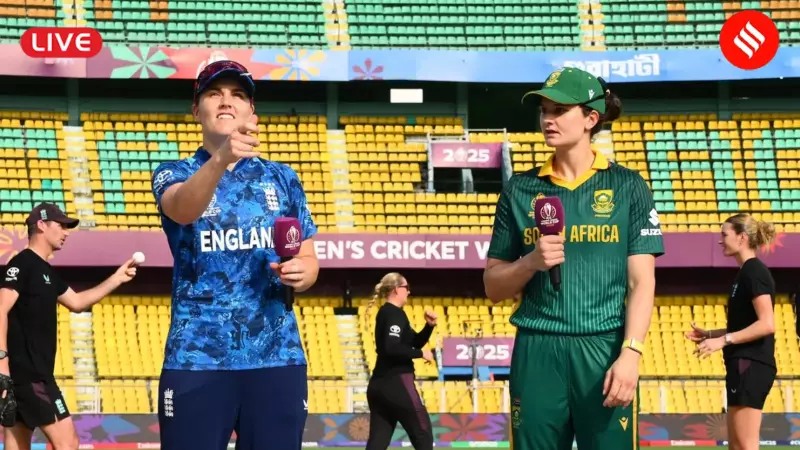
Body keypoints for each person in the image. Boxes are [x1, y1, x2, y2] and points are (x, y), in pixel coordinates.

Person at [483, 67, 665, 450]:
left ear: (590, 119)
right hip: (537, 350)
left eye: (560, 110)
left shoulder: (629, 186)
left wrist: (631, 353)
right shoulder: (519, 189)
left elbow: (642, 282)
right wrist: (530, 262)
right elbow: (493, 286)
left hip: (604, 349)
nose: (547, 119)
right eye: (544, 110)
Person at [150, 60, 319, 450]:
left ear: (251, 112)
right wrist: (221, 159)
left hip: (277, 357)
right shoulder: (173, 172)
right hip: (197, 358)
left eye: (238, 95)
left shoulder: (283, 178)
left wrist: (302, 272)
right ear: (196, 110)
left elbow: (309, 259)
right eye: (214, 93)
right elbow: (182, 209)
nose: (226, 101)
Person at [0, 203, 138, 450]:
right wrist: (2, 364)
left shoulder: (46, 271)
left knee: (17, 445)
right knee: (68, 443)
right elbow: (0, 309)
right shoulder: (21, 264)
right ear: (41, 225)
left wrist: (116, 278)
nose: (66, 232)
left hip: (28, 376)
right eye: (61, 225)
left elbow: (77, 302)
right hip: (31, 376)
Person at [687, 213, 777, 450]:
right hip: (742, 364)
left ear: (742, 237)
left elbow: (767, 324)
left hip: (751, 364)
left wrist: (724, 340)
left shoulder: (754, 271)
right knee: (736, 446)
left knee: (745, 446)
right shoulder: (744, 273)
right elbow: (745, 324)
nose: (720, 240)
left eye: (724, 234)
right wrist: (710, 334)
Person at [365, 273, 437, 450]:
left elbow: (415, 341)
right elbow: (392, 348)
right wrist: (421, 354)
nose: (409, 292)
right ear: (397, 289)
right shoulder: (393, 314)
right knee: (423, 433)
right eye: (407, 288)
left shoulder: (389, 313)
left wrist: (429, 326)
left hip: (378, 385)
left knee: (378, 442)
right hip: (396, 383)